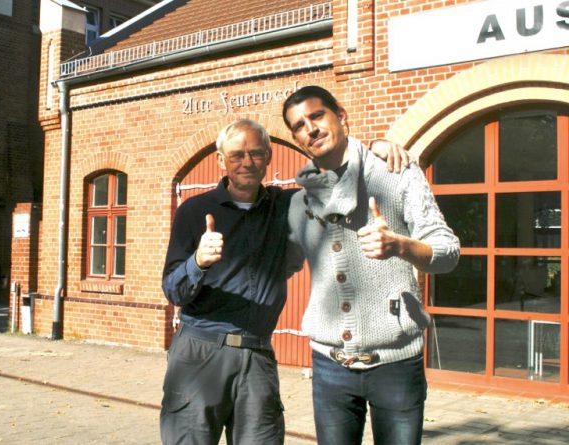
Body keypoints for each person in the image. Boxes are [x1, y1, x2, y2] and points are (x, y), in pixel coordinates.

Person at [160, 119, 408, 444]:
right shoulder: (194, 211)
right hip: (200, 353)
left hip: (257, 356)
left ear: (268, 157)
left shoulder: (286, 205)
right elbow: (173, 290)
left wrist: (374, 148)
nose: (247, 162)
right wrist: (198, 262)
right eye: (236, 155)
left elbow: (337, 180)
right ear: (221, 160)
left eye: (256, 154)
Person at [283, 86, 460, 445]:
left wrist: (400, 245)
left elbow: (448, 251)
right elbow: (278, 265)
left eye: (317, 116)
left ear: (341, 117)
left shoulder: (395, 173)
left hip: (395, 364)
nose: (310, 129)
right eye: (299, 125)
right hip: (329, 364)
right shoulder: (298, 203)